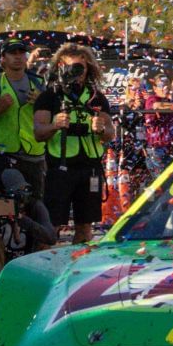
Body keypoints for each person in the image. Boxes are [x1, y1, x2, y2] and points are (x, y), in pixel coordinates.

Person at [33, 43, 116, 243]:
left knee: (85, 224)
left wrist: (102, 129)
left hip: (90, 167)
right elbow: (38, 132)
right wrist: (54, 125)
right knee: (52, 223)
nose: (77, 73)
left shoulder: (97, 98)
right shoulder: (49, 97)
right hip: (61, 167)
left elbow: (111, 134)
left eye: (81, 68)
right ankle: (47, 266)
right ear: (61, 66)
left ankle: (79, 265)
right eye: (72, 67)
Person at [0, 39, 47, 200]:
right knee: (2, 210)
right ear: (3, 58)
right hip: (1, 157)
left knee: (34, 208)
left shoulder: (39, 83)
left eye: (21, 53)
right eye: (13, 53)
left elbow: (52, 118)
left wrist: (41, 103)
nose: (18, 57)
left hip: (34, 157)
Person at [0, 167, 58, 286]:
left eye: (22, 191)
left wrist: (23, 219)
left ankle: (38, 283)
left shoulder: (34, 206)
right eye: (13, 194)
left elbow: (51, 237)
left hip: (27, 261)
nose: (20, 198)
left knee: (44, 244)